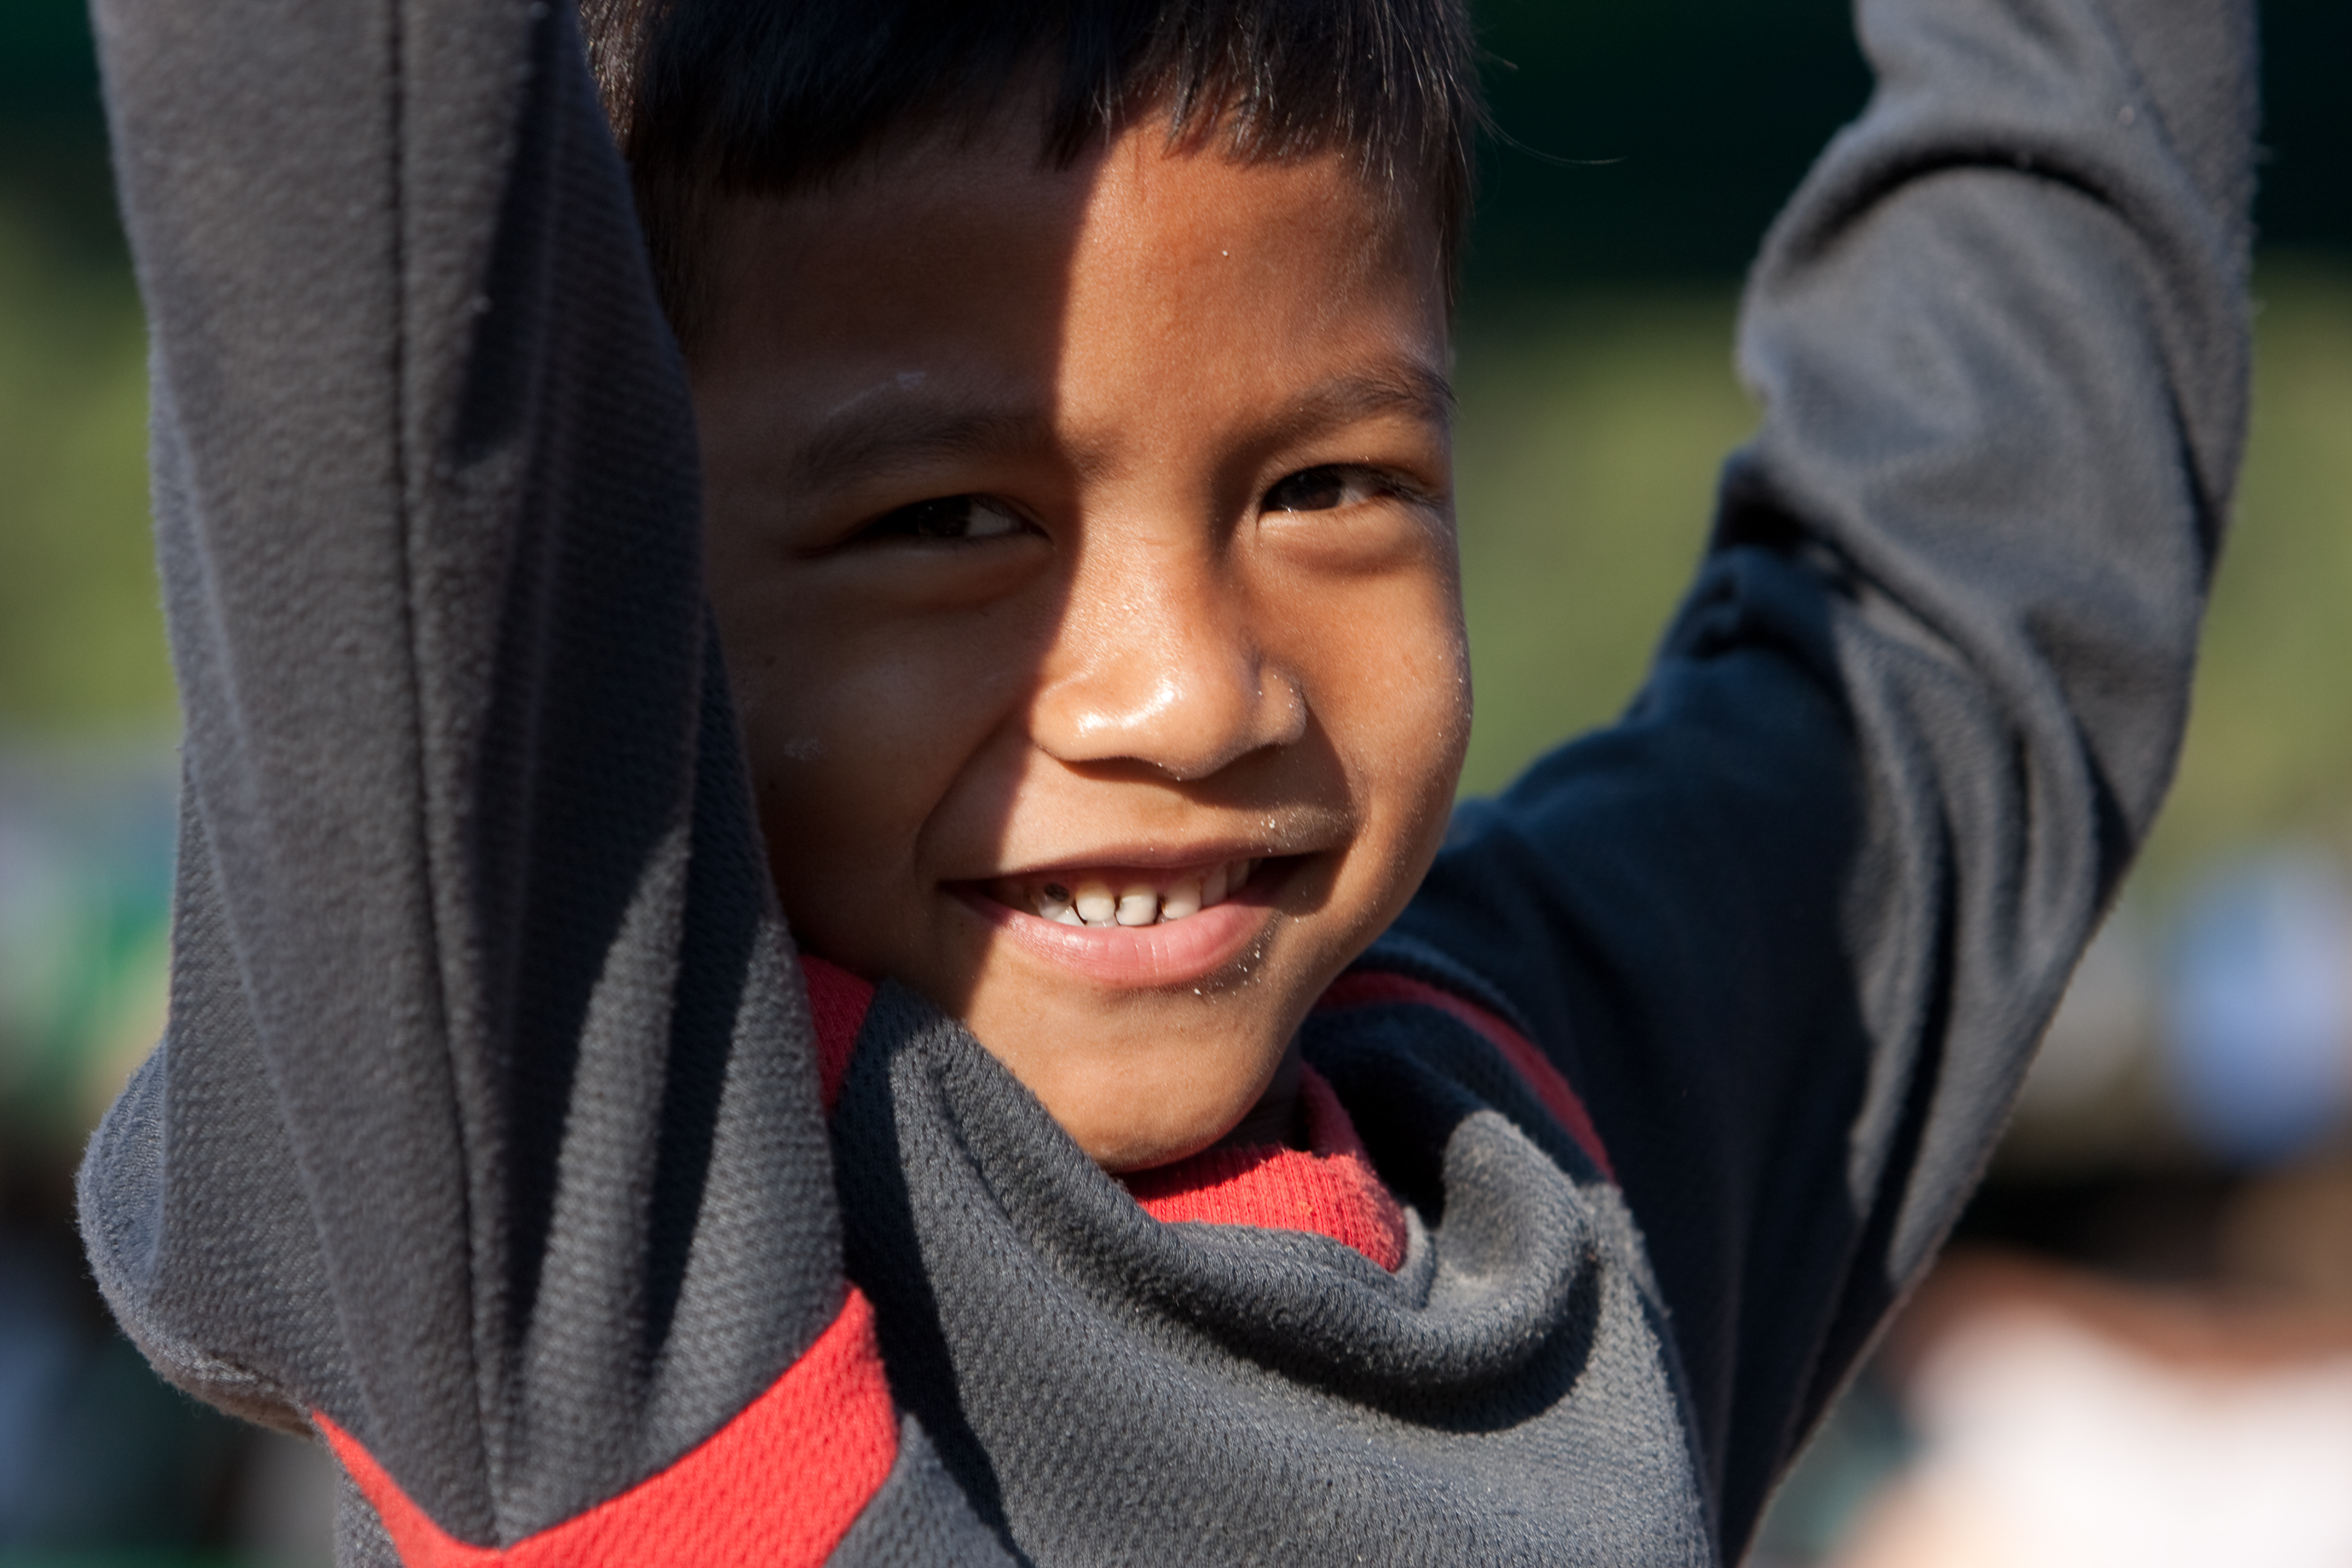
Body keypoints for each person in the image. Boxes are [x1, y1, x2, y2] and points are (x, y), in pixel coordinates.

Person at [76, 0, 2256, 1560]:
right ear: (618, 571)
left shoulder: (1556, 1158)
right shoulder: (592, 1226)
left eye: (1328, 484)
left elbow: (1995, 564)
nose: (1187, 695)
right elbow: (347, 208)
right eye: (947, 523)